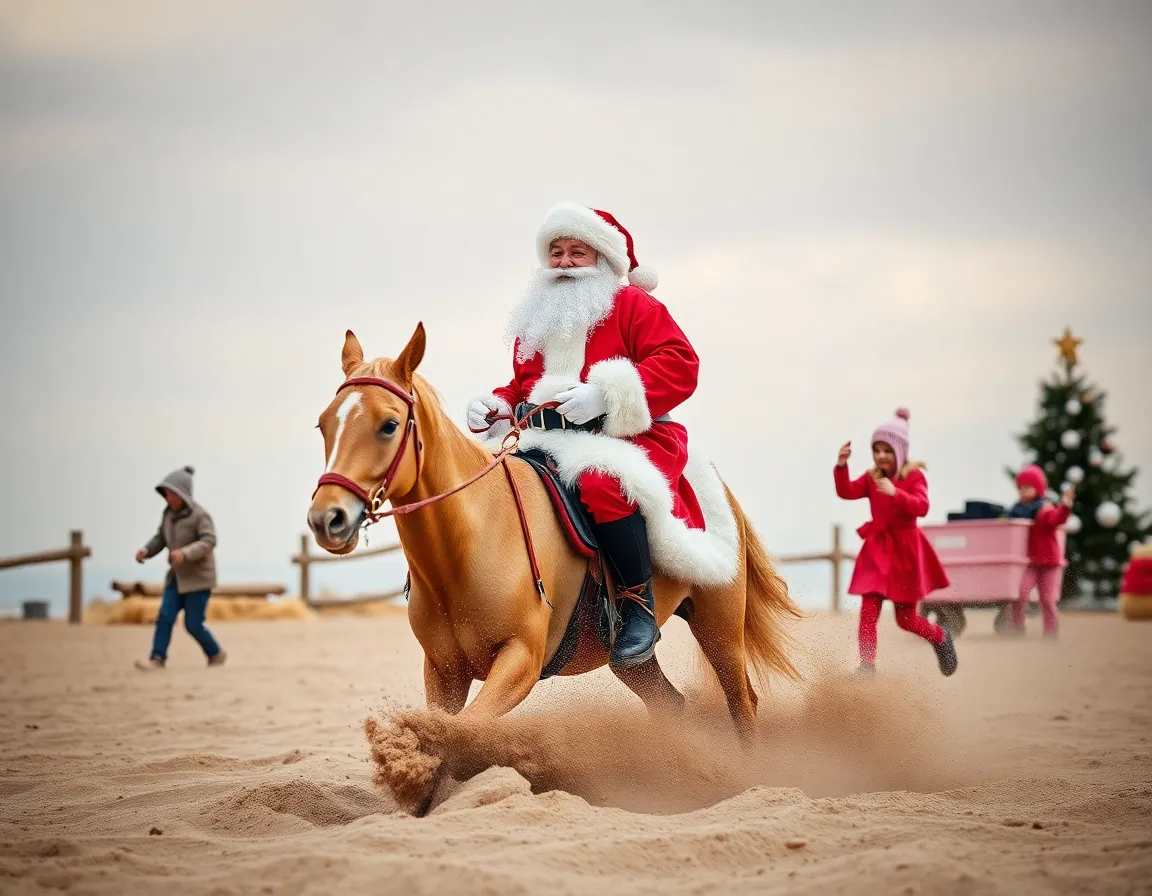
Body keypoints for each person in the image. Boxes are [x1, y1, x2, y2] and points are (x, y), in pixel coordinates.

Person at [467, 202, 701, 668]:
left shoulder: (635, 305)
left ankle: (637, 605)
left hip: (628, 438)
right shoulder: (537, 318)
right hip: (542, 441)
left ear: (604, 259)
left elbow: (680, 363)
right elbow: (522, 387)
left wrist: (608, 396)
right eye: (556, 251)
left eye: (578, 251)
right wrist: (498, 404)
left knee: (601, 482)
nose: (565, 262)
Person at [835, 408, 957, 678]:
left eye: (887, 450)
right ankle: (867, 666)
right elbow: (846, 491)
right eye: (876, 450)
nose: (881, 456)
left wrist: (896, 492)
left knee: (906, 620)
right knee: (868, 610)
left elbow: (922, 507)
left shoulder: (914, 477)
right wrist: (841, 466)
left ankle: (940, 636)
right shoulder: (872, 477)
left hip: (905, 553)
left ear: (900, 451)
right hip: (877, 550)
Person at [133, 465, 226, 670]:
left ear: (183, 494)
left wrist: (185, 553)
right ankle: (157, 658)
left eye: (172, 494)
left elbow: (209, 540)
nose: (168, 498)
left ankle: (215, 653)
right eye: (166, 494)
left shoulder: (200, 515)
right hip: (176, 576)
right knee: (165, 616)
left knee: (193, 624)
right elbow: (160, 538)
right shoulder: (167, 515)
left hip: (198, 578)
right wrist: (146, 551)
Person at [1004, 464, 1073, 638]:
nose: (1023, 491)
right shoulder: (1018, 510)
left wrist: (1065, 507)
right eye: (1020, 487)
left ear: (1038, 488)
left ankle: (1050, 632)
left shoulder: (1044, 508)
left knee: (1047, 600)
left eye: (1028, 487)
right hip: (1032, 561)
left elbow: (1056, 519)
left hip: (1049, 562)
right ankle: (1017, 626)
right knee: (1021, 592)